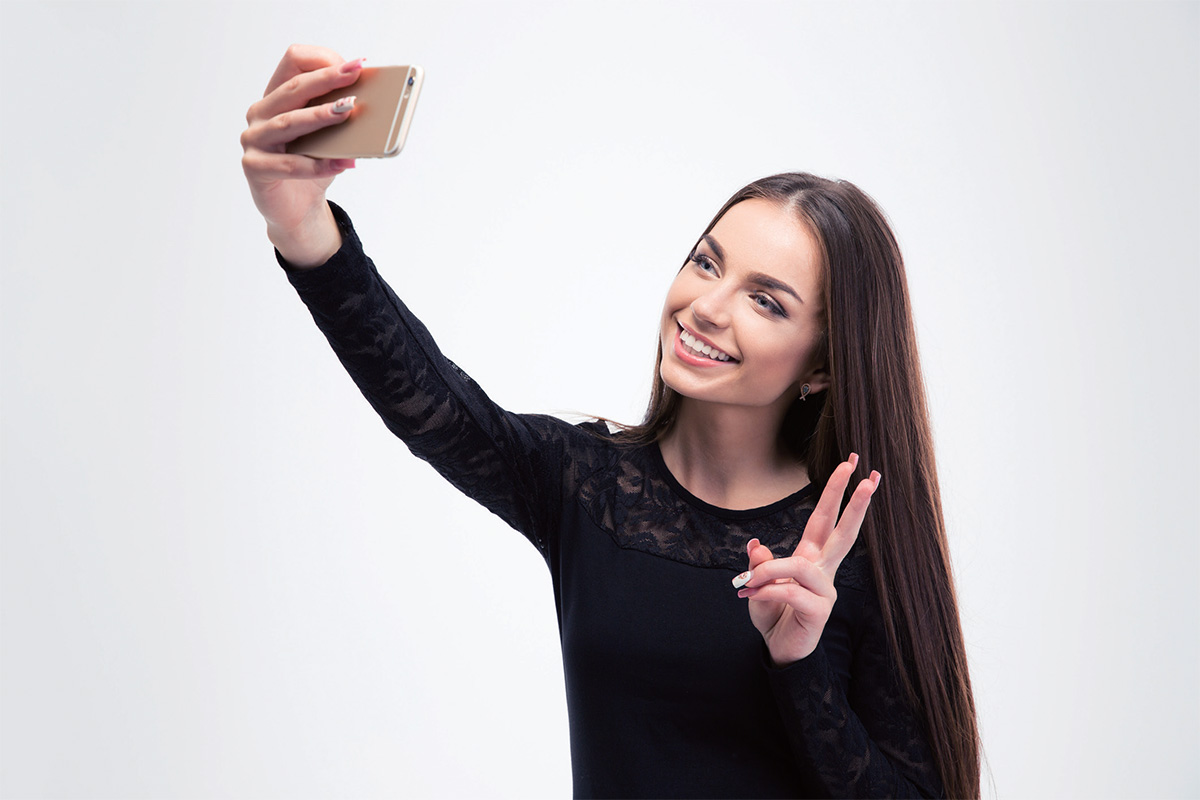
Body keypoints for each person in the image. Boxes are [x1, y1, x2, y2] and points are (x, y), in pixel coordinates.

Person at [241, 44, 981, 800]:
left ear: (822, 366)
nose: (707, 306)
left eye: (765, 301)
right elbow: (429, 403)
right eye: (707, 263)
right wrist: (303, 227)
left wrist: (801, 664)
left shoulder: (850, 544)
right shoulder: (587, 486)